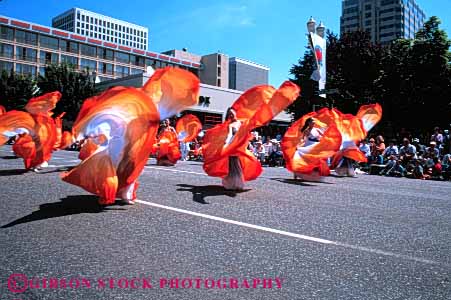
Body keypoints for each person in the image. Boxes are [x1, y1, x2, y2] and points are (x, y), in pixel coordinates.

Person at [222, 108, 245, 190]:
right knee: (233, 165)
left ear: (236, 113)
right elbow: (229, 135)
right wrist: (226, 144)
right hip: (232, 146)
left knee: (237, 165)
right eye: (229, 114)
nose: (231, 115)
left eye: (232, 113)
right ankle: (232, 184)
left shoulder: (241, 122)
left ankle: (237, 184)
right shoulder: (230, 125)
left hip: (239, 146)